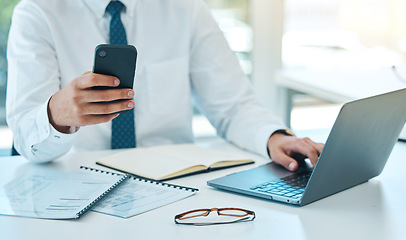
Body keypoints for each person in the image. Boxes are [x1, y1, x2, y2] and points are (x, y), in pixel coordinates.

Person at [6, 0, 323, 171]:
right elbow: (24, 137)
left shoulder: (186, 8)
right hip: (77, 183)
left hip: (175, 184)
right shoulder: (36, 13)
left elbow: (234, 106)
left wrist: (274, 137)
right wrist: (55, 116)